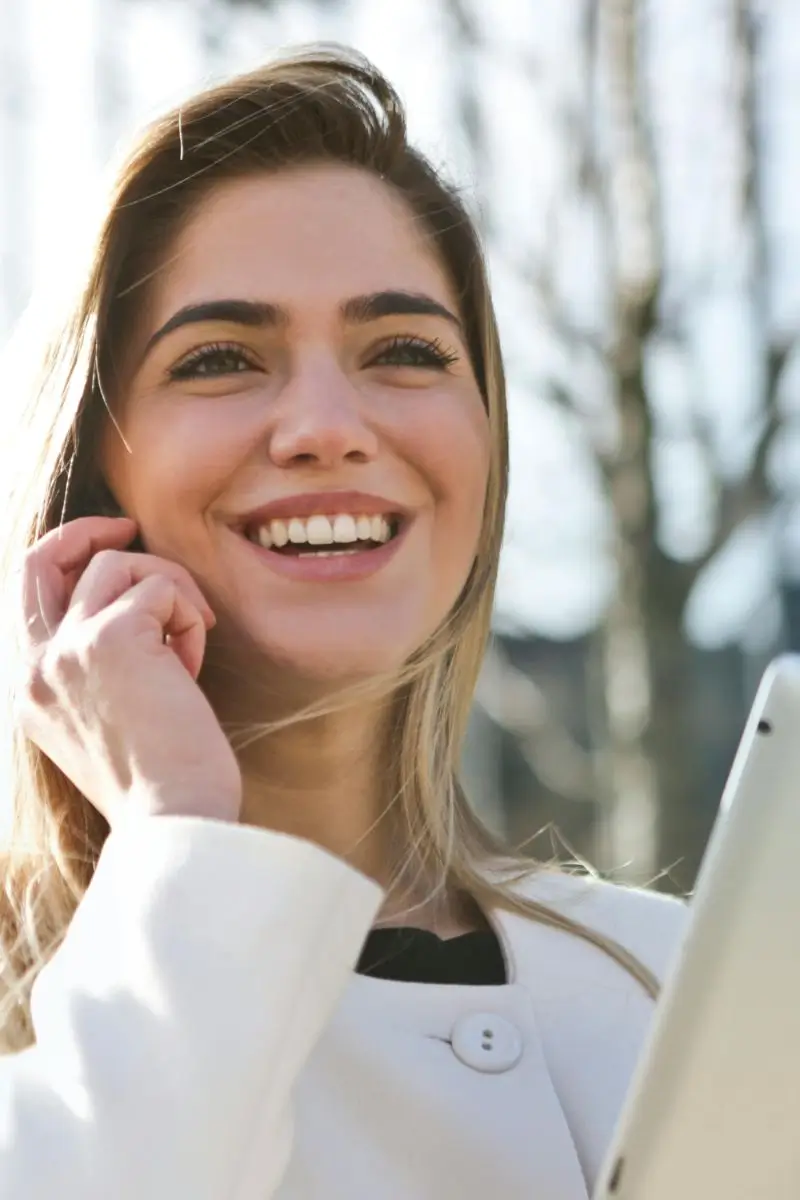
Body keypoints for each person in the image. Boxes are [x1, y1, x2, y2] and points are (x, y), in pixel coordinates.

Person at [0, 45, 687, 1199]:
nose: (327, 424)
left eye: (404, 351)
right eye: (220, 358)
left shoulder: (684, 981)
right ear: (94, 474)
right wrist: (181, 839)